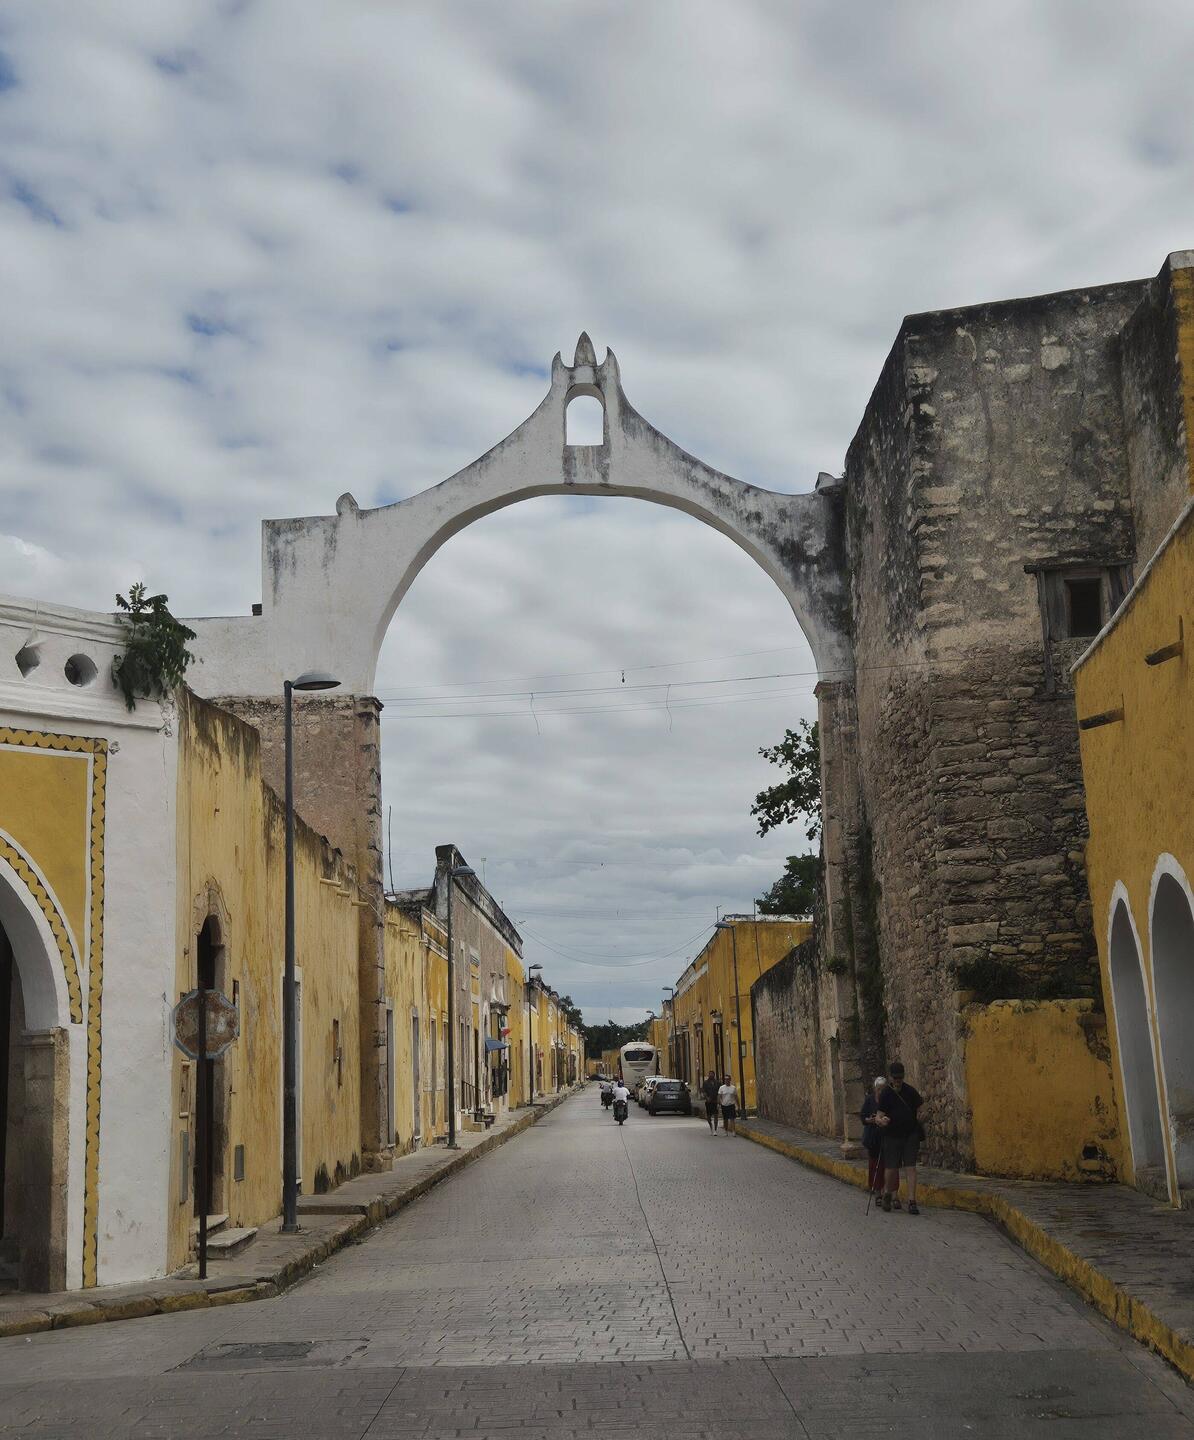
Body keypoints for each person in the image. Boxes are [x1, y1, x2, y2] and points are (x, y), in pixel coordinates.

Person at [875, 1061, 924, 1214]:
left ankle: (912, 1201)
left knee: (911, 1167)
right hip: (892, 1136)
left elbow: (922, 1108)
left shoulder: (910, 1091)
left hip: (910, 1134)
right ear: (891, 1077)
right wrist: (881, 1121)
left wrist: (923, 1116)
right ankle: (888, 1194)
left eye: (900, 1078)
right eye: (895, 1078)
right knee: (891, 1168)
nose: (897, 1081)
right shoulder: (886, 1094)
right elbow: (879, 1115)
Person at [860, 1075, 886, 1204]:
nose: (881, 1091)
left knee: (885, 1165)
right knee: (874, 1165)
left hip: (885, 1136)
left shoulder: (888, 1100)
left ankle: (886, 1192)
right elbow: (863, 1116)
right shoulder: (870, 1100)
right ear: (875, 1089)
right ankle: (877, 1191)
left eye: (883, 1089)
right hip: (873, 1138)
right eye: (879, 1089)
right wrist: (870, 1120)